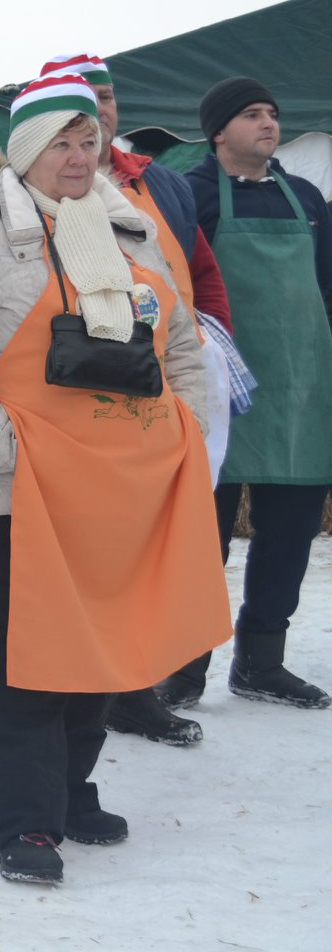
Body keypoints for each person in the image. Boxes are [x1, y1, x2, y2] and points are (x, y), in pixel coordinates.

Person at [0, 70, 228, 884]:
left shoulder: (132, 236)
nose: (81, 157)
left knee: (105, 645)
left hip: (125, 487)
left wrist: (180, 430)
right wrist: (13, 451)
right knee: (28, 658)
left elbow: (182, 348)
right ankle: (25, 819)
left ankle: (72, 788)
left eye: (89, 141)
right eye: (62, 144)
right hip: (31, 494)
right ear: (24, 153)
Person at [50, 54, 232, 747]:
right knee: (110, 556)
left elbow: (198, 270)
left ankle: (156, 674)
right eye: (78, 109)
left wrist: (209, 348)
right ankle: (112, 691)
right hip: (94, 395)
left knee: (172, 538)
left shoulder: (160, 183)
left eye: (105, 100)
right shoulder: (39, 201)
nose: (99, 115)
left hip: (170, 386)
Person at [162, 76, 332, 710]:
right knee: (202, 537)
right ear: (218, 131)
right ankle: (184, 666)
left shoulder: (309, 198)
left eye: (273, 114)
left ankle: (262, 659)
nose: (268, 124)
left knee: (289, 533)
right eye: (252, 115)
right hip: (219, 393)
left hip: (301, 392)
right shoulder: (192, 196)